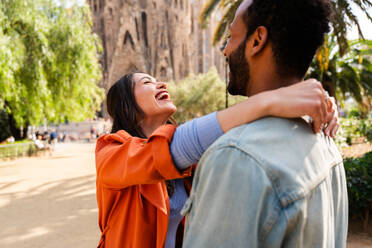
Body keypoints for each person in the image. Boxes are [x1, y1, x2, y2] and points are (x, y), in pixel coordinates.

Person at [95, 69, 339, 247]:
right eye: (147, 82)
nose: (162, 83)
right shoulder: (110, 152)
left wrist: (317, 102)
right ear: (127, 105)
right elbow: (166, 151)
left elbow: (238, 137)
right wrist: (266, 102)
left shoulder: (188, 161)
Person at [182, 0, 347, 247]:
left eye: (230, 37)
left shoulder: (236, 158)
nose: (225, 50)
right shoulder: (326, 142)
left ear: (257, 40)